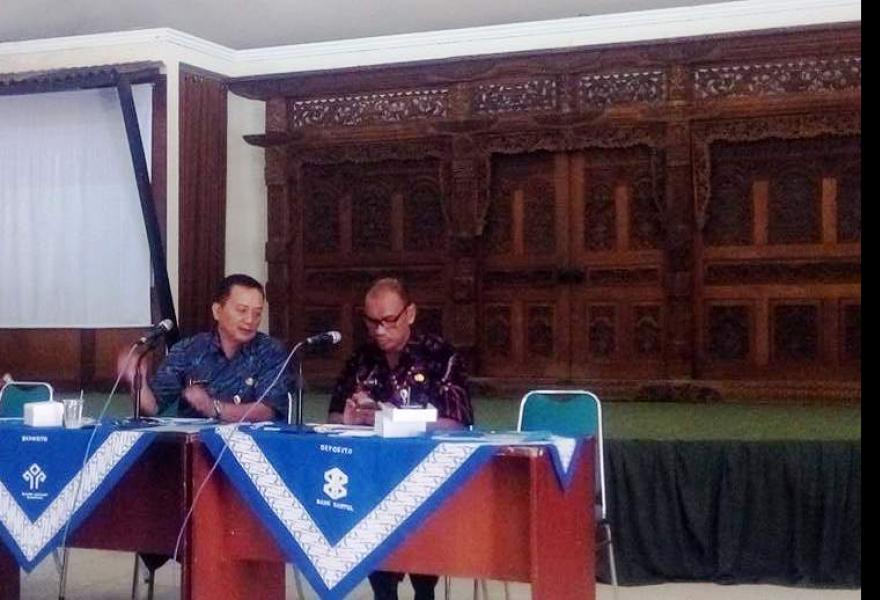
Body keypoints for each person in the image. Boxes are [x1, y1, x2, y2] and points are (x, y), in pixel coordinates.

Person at [328, 277, 473, 600]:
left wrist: (390, 418)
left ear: (409, 314)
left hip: (428, 473)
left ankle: (425, 591)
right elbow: (334, 416)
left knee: (423, 533)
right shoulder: (361, 358)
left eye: (388, 321)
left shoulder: (440, 356)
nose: (379, 330)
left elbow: (457, 422)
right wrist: (349, 420)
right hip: (373, 476)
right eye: (371, 322)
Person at [119, 274, 291, 422]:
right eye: (242, 310)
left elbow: (269, 411)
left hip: (252, 444)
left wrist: (214, 408)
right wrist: (136, 380)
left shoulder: (271, 351)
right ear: (217, 311)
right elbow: (152, 408)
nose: (250, 320)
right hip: (196, 444)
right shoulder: (188, 350)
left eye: (257, 313)